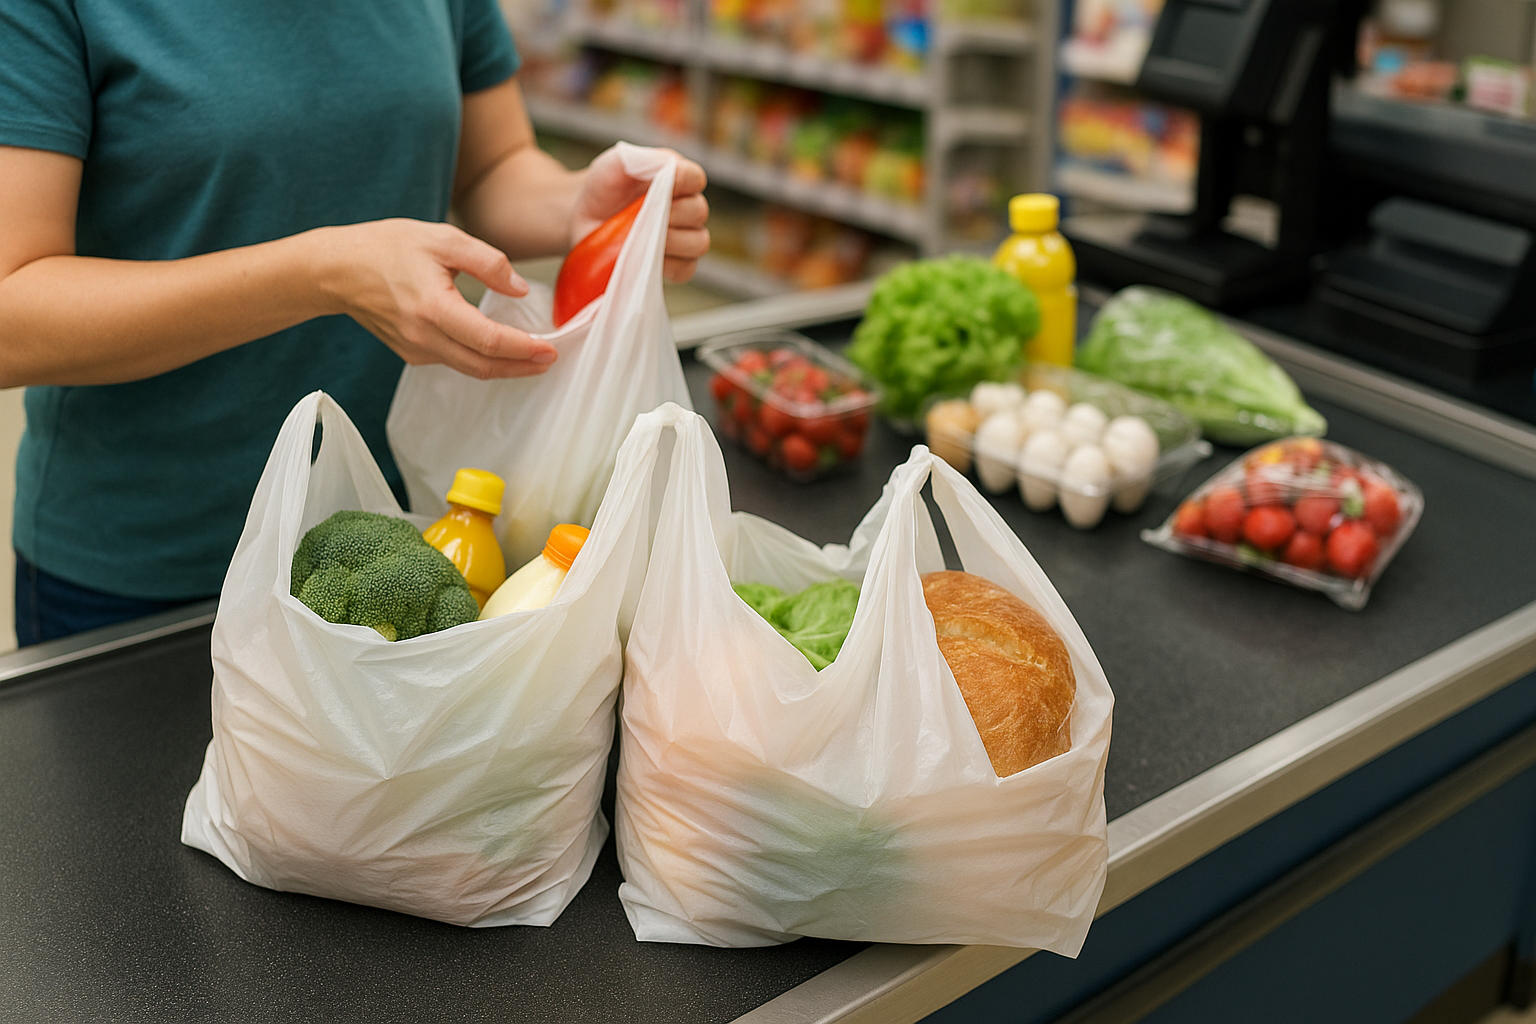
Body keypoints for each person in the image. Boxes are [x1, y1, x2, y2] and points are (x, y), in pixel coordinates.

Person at [0, 0, 709, 646]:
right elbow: (12, 315)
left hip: (397, 536)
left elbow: (491, 165)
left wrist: (574, 207)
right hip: (147, 572)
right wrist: (322, 274)